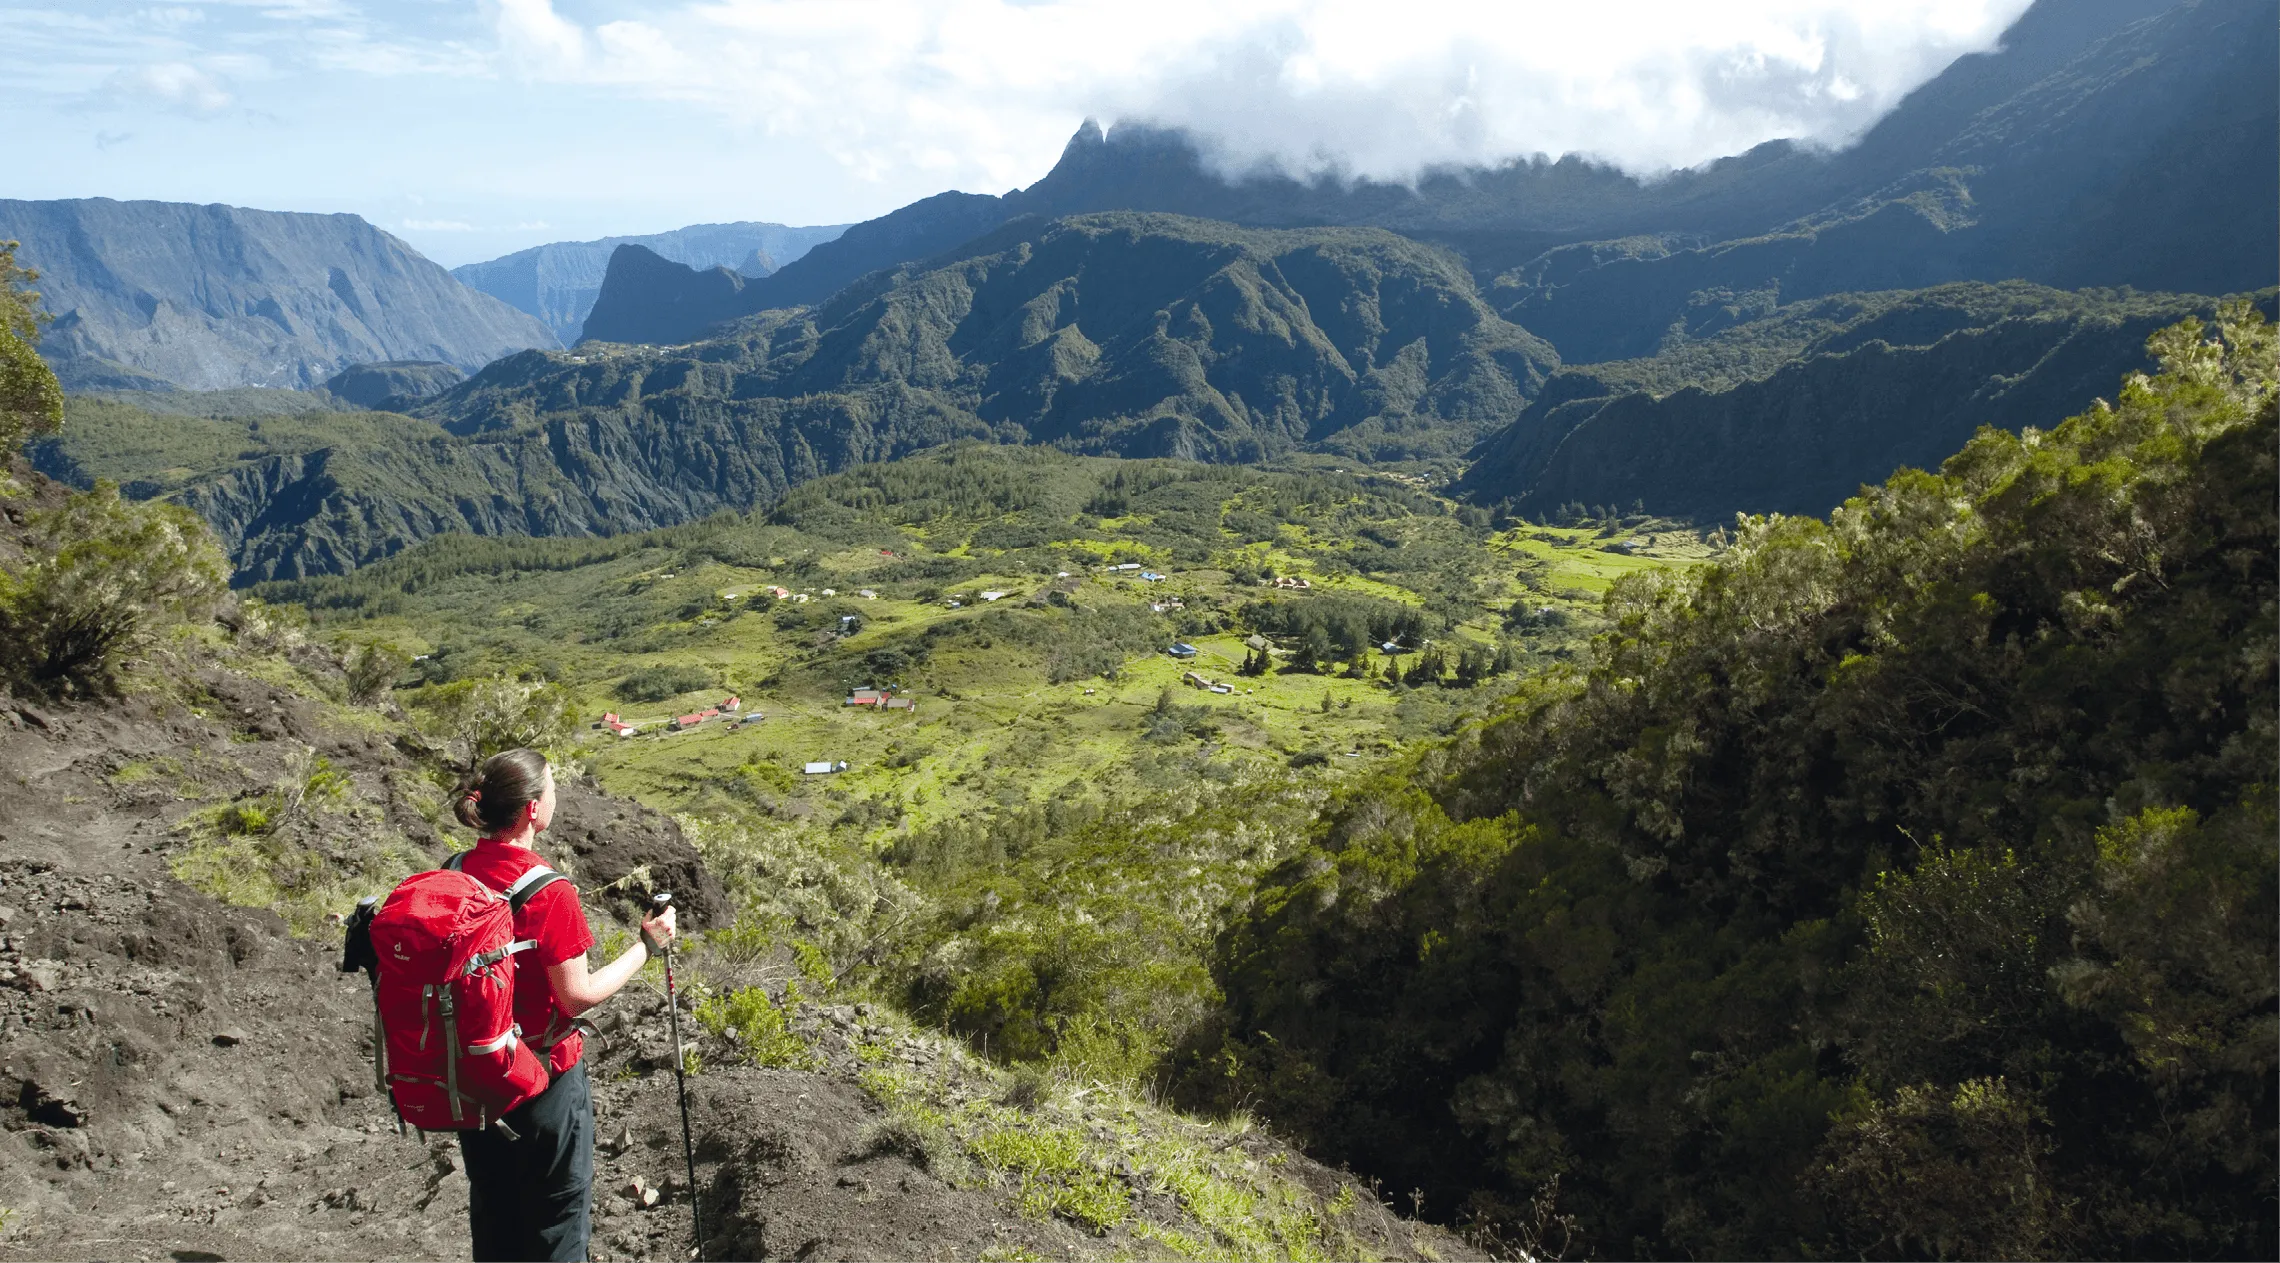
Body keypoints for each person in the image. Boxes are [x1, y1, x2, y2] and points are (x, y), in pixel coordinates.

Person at [447, 748, 677, 1263]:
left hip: (472, 1077)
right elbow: (577, 995)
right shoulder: (548, 892)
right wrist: (648, 946)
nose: (557, 797)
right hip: (541, 1080)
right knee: (556, 1220)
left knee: (495, 1213)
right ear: (532, 809)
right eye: (551, 788)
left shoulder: (456, 870)